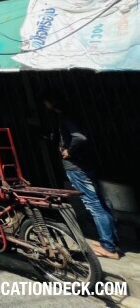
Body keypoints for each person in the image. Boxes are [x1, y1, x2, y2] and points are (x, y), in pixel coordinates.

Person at [43, 94, 121, 259]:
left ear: (50, 103)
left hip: (77, 167)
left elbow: (80, 137)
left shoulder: (66, 116)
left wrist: (68, 151)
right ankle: (110, 242)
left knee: (94, 205)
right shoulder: (73, 114)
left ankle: (109, 247)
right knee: (100, 202)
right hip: (86, 164)